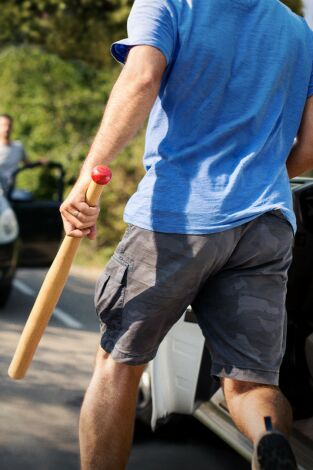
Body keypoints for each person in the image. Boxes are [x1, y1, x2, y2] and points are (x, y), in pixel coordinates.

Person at [60, 1, 313, 469]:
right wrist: (259, 178)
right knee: (252, 383)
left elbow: (140, 80)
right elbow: (310, 147)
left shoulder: (169, 3)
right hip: (267, 223)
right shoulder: (298, 31)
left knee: (118, 366)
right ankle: (269, 441)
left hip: (178, 219)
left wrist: (86, 180)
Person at [0, 114, 29, 192]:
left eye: (9, 125)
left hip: (11, 192)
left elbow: (28, 164)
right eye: (3, 125)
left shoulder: (18, 147)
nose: (6, 128)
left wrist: (41, 162)